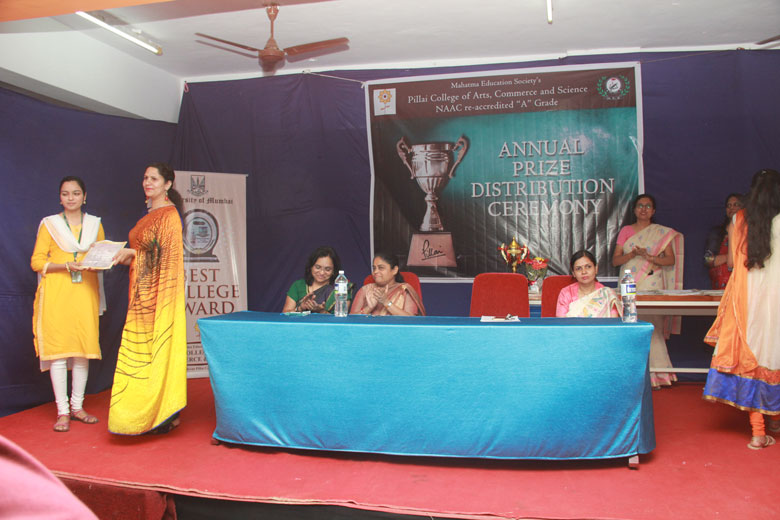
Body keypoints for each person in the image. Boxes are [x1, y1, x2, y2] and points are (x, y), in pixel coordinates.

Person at [703, 169, 780, 450]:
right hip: (776, 297)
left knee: (752, 357)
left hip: (748, 299)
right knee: (774, 353)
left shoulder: (739, 219)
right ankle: (775, 420)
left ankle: (758, 433)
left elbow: (733, 264)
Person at [110, 163, 187, 435]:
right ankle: (141, 410)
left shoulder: (169, 215)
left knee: (159, 349)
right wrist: (121, 255)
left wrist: (134, 255)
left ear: (168, 184)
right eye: (145, 178)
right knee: (140, 353)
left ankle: (164, 413)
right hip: (141, 295)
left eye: (154, 178)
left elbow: (167, 260)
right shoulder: (150, 214)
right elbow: (146, 253)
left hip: (160, 298)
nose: (147, 182)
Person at [30, 176, 105, 432]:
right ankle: (62, 411)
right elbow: (37, 262)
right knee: (59, 353)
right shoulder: (50, 225)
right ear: (60, 198)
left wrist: (100, 262)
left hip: (85, 293)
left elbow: (101, 256)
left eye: (75, 193)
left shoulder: (94, 225)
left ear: (85, 197)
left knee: (83, 351)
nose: (70, 198)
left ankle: (77, 407)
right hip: (57, 294)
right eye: (65, 194)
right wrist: (65, 266)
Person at [612, 193, 684, 389]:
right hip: (630, 283)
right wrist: (632, 254)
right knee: (632, 327)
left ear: (653, 211)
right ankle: (635, 377)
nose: (643, 209)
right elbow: (615, 260)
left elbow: (670, 260)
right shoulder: (626, 231)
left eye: (648, 206)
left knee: (653, 328)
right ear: (634, 210)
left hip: (652, 282)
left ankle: (659, 376)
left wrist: (650, 257)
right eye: (640, 206)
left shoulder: (661, 233)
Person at [350, 253, 425, 316]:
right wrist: (369, 308)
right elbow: (351, 319)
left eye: (381, 268)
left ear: (394, 270)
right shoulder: (365, 290)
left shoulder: (404, 290)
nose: (375, 271)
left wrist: (386, 302)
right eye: (374, 268)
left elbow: (411, 319)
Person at [556, 250, 620, 318]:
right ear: (573, 273)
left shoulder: (606, 294)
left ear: (596, 269)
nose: (584, 272)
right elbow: (561, 321)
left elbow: (613, 321)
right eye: (578, 268)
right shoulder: (566, 293)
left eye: (588, 267)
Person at [282, 246, 344, 313]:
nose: (322, 272)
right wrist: (300, 308)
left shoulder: (339, 288)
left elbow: (341, 317)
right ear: (311, 267)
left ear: (334, 271)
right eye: (318, 267)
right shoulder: (298, 285)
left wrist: (321, 311)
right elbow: (285, 314)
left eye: (327, 269)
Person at [704, 193, 743, 289]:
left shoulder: (750, 232)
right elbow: (707, 260)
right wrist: (730, 257)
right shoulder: (718, 233)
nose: (731, 208)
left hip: (743, 283)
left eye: (736, 205)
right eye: (729, 206)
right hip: (722, 286)